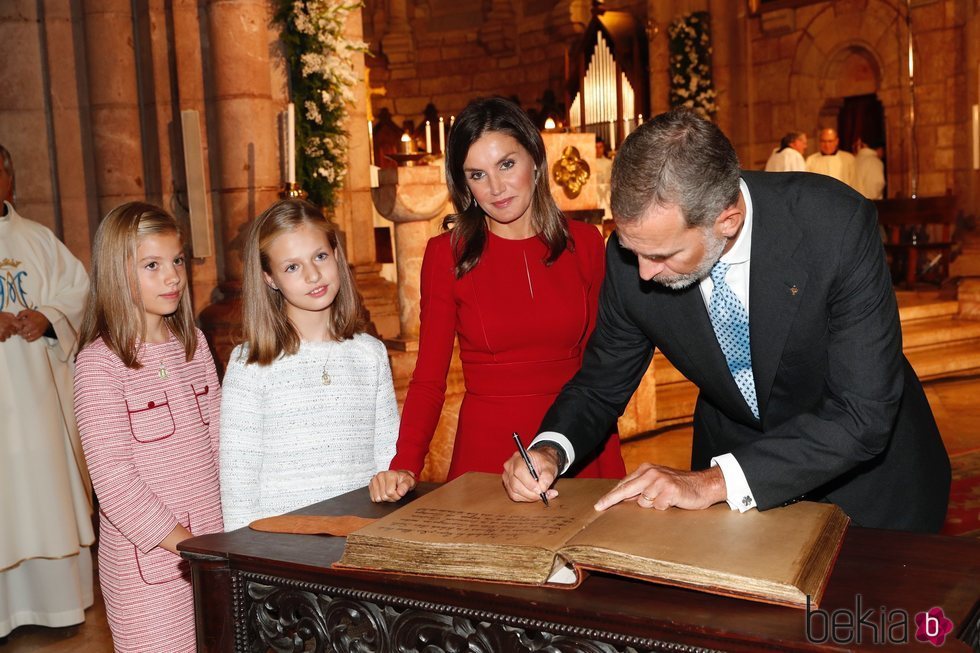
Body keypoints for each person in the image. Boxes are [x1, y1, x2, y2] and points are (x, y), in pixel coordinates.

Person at [502, 109, 950, 533]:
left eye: (663, 255)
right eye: (633, 250)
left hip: (871, 489)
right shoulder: (632, 257)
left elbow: (861, 413)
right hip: (735, 498)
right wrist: (549, 450)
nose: (643, 273)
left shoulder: (834, 226)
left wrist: (713, 482)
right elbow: (601, 384)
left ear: (727, 221)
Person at [370, 96, 625, 503]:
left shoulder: (587, 243)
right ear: (464, 183)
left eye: (507, 164)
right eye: (477, 174)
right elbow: (429, 379)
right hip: (488, 451)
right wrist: (405, 463)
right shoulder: (445, 254)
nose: (496, 188)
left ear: (534, 159)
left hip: (580, 445)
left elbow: (605, 365)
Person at [74, 202, 223, 652]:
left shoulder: (193, 344)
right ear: (117, 273)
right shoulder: (100, 365)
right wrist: (187, 546)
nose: (173, 276)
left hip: (212, 551)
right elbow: (115, 483)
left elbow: (219, 443)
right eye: (152, 265)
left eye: (176, 260)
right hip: (153, 567)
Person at [220, 198, 398, 530]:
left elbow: (389, 457)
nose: (313, 274)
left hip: (360, 533)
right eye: (292, 266)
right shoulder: (251, 364)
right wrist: (244, 560)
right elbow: (237, 480)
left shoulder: (369, 354)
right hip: (281, 548)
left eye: (320, 256)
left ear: (336, 255)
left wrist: (397, 483)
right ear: (270, 278)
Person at [0, 145, 94, 637]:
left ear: (9, 181)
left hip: (38, 404)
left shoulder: (38, 239)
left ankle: (58, 603)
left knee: (45, 493)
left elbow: (77, 289)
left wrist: (48, 318)